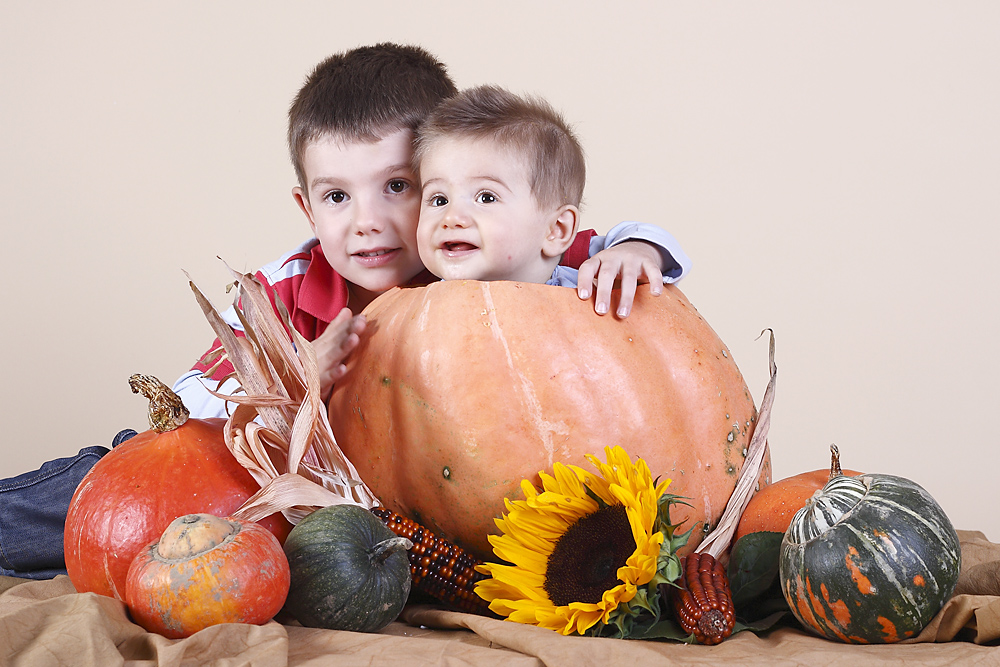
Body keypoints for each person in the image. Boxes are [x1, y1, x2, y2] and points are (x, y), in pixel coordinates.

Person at [0, 43, 689, 579]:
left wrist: (638, 250)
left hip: (379, 517)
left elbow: (572, 245)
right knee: (84, 510)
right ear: (306, 208)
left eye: (398, 186)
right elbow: (189, 424)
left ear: (445, 177)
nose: (369, 223)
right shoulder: (286, 292)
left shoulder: (482, 259)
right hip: (236, 482)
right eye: (337, 197)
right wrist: (296, 380)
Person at [414, 84, 689, 288]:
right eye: (439, 200)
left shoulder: (579, 264)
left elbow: (653, 242)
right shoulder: (417, 297)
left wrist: (638, 251)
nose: (452, 218)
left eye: (486, 198)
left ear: (556, 230)